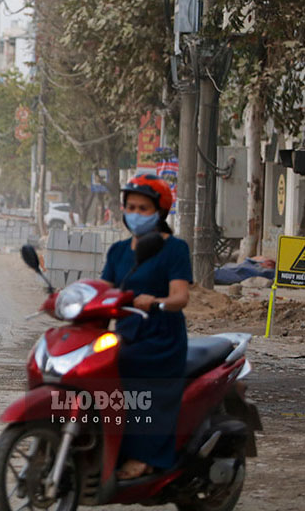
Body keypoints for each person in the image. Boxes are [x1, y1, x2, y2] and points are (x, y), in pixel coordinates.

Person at [99, 174, 191, 480]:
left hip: (161, 337)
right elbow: (103, 290)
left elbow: (180, 297)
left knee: (130, 375)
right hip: (126, 333)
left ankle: (143, 455)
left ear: (160, 213)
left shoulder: (174, 249)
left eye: (144, 208)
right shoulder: (118, 251)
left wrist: (154, 301)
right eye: (131, 207)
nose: (135, 214)